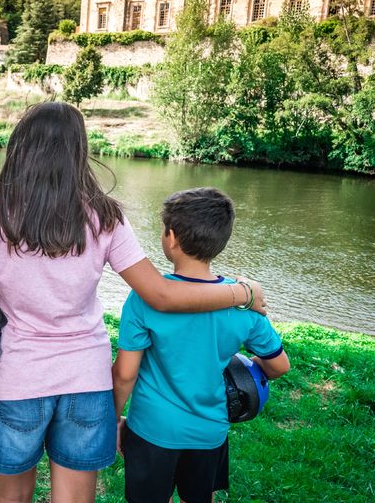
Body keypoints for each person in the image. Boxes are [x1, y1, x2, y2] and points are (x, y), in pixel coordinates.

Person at [0, 102, 266, 503]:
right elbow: (161, 294)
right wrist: (241, 292)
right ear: (78, 152)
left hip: (15, 378)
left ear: (20, 148)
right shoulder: (105, 217)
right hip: (86, 380)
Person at [112, 187, 291, 503]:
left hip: (152, 429)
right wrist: (244, 367)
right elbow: (279, 366)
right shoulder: (242, 306)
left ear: (172, 237)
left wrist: (113, 419)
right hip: (208, 432)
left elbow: (125, 374)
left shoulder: (144, 299)